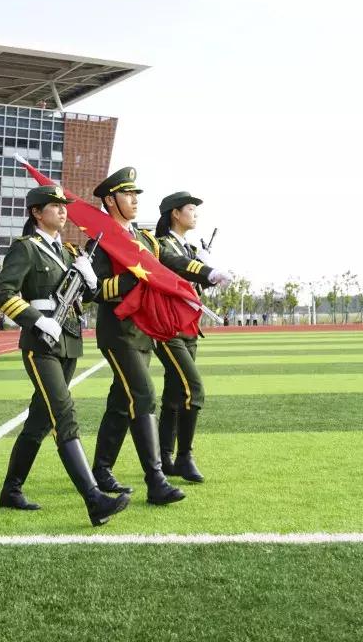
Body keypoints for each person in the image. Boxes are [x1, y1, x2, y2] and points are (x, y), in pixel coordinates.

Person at [89, 168, 230, 504]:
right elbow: (94, 289)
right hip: (117, 331)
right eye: (127, 194)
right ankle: (156, 479)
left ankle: (101, 470)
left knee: (121, 401)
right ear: (110, 200)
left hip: (142, 331)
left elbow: (173, 261)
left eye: (136, 194)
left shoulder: (145, 239)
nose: (135, 200)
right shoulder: (100, 239)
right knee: (143, 395)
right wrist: (133, 280)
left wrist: (209, 272)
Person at [0, 184, 129, 527]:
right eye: (53, 206)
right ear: (37, 213)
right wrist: (36, 319)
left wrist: (89, 279)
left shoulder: (68, 253)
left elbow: (80, 301)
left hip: (67, 341)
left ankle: (11, 490)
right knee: (64, 414)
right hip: (41, 343)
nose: (62, 210)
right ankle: (94, 499)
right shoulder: (26, 249)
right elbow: (3, 293)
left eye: (63, 206)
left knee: (39, 421)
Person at [153, 191, 216, 482]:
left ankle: (165, 457)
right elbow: (175, 265)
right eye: (190, 209)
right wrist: (206, 269)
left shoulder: (189, 249)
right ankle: (185, 456)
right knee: (194, 389)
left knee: (174, 394)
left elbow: (196, 291)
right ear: (175, 214)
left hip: (187, 328)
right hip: (167, 329)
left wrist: (203, 266)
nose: (195, 213)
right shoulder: (162, 245)